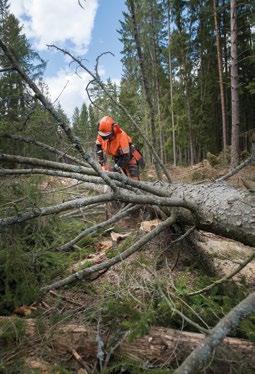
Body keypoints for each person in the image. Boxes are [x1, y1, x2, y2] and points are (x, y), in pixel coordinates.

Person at [96, 116, 144, 180]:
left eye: (107, 135)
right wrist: (101, 161)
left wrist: (115, 168)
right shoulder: (102, 133)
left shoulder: (122, 136)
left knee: (133, 181)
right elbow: (98, 146)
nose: (105, 138)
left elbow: (126, 156)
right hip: (118, 157)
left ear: (113, 129)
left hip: (129, 157)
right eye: (103, 136)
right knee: (120, 180)